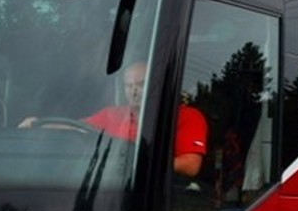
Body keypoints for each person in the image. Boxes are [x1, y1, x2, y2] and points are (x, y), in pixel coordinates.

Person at [19, 61, 207, 177]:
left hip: (155, 195)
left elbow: (190, 165)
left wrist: (135, 163)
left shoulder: (186, 116)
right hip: (110, 189)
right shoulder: (112, 114)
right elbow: (76, 127)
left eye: (141, 84)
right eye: (128, 86)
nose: (134, 91)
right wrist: (38, 124)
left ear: (156, 85)